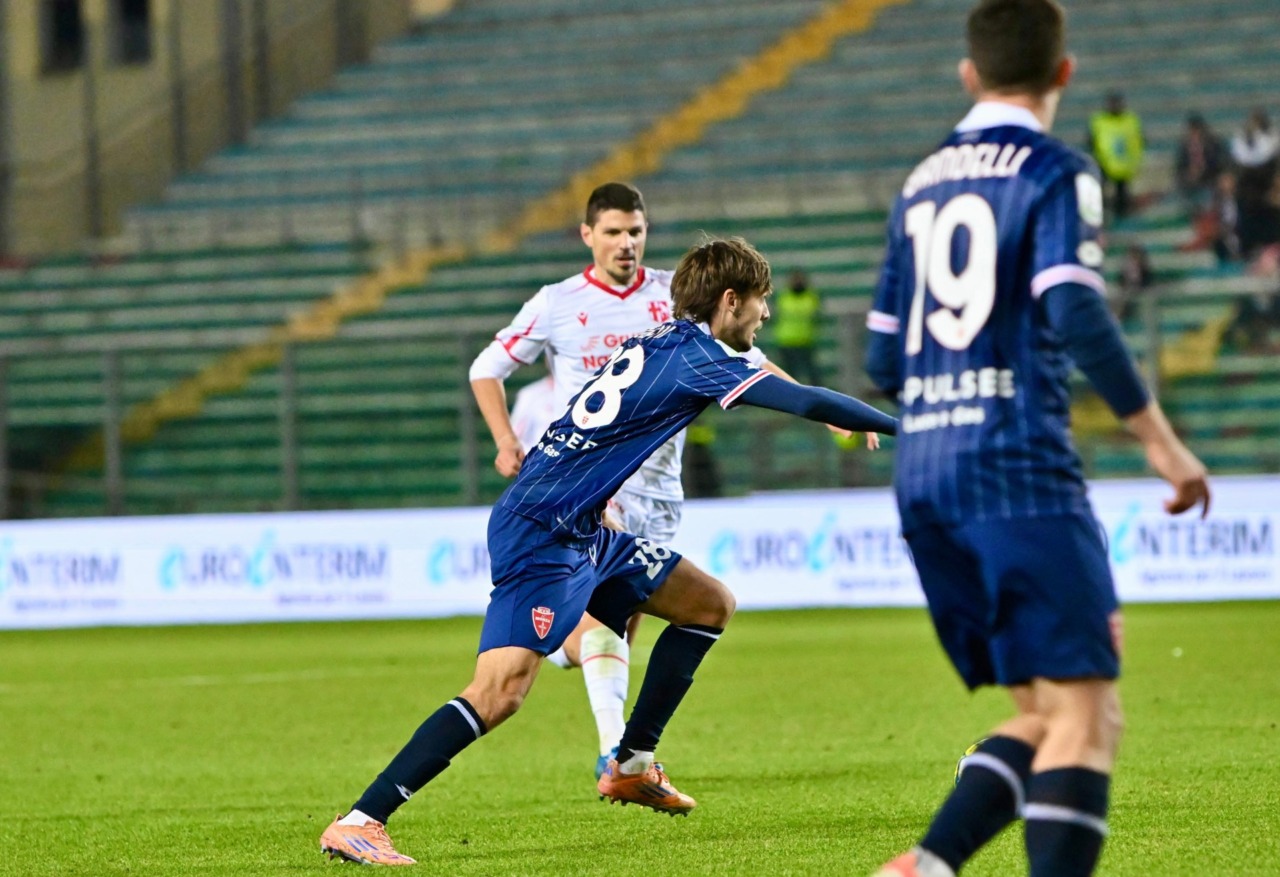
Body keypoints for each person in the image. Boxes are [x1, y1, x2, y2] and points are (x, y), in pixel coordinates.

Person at [320, 236, 898, 865]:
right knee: (500, 691)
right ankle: (361, 819)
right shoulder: (702, 360)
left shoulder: (662, 339)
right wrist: (905, 424)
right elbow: (804, 400)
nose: (766, 314)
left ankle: (632, 764)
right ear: (731, 300)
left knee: (708, 604)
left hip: (586, 529)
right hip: (542, 529)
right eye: (762, 300)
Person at [863, 2, 1211, 876]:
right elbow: (1072, 304)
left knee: (1048, 710)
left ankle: (928, 864)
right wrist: (1160, 442)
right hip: (1016, 469)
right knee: (1089, 714)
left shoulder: (920, 181)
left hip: (925, 472)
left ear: (968, 74)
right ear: (1065, 73)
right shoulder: (1055, 169)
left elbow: (880, 359)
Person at [467, 182, 798, 780]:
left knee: (616, 633)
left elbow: (744, 363)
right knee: (602, 631)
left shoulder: (676, 296)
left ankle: (573, 668)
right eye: (614, 231)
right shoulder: (556, 302)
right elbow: (485, 368)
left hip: (661, 489)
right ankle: (614, 753)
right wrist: (505, 439)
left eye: (636, 231)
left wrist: (815, 406)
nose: (626, 242)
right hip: (594, 487)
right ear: (588, 235)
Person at [1088, 90, 1143, 218]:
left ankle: (1122, 216)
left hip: (1125, 165)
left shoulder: (1131, 120)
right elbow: (1092, 140)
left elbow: (1138, 140)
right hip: (1104, 162)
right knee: (1100, 191)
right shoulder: (1099, 120)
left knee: (1122, 194)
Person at [771, 269, 823, 386]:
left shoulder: (812, 297)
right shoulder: (783, 297)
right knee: (788, 375)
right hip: (786, 341)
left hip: (806, 341)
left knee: (812, 374)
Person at [1174, 112, 1227, 216]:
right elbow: (1179, 167)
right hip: (1189, 185)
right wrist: (1188, 175)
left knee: (1209, 197)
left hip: (1208, 182)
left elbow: (1218, 164)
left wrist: (1203, 170)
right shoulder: (1184, 148)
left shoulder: (1213, 145)